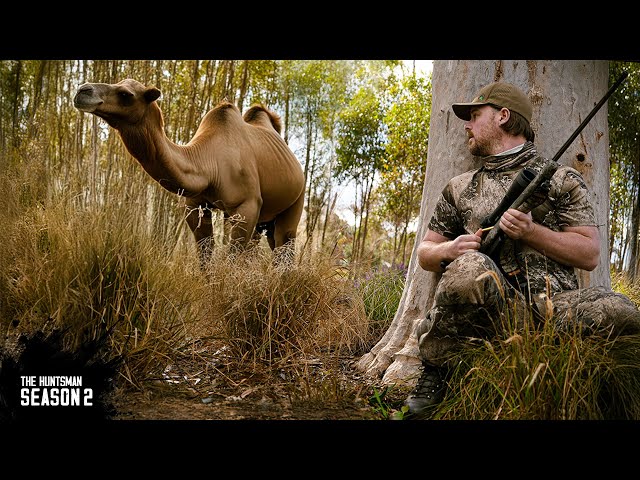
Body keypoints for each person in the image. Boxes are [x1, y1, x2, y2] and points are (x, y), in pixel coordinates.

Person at [404, 81, 640, 417]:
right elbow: (426, 251)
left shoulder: (561, 179)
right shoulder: (459, 188)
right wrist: (452, 249)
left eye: (474, 115)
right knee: (469, 267)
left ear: (502, 116)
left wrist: (531, 232)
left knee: (624, 311)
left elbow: (589, 254)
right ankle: (438, 373)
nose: (467, 125)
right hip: (491, 313)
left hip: (555, 310)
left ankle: (596, 387)